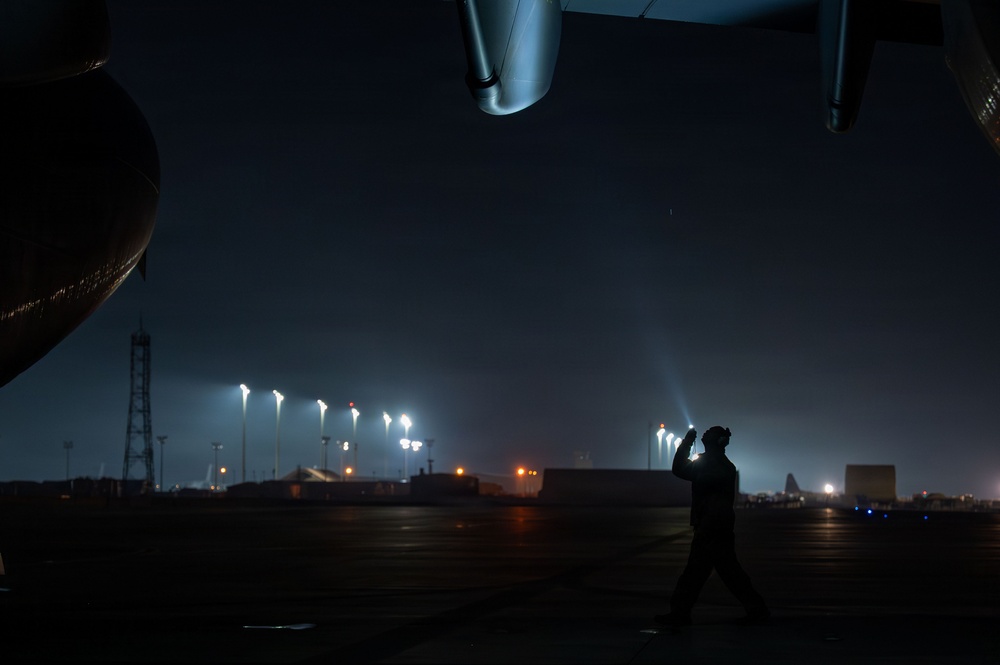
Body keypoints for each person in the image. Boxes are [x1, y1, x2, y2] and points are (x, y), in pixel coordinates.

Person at [655, 425, 769, 626]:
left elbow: (679, 469)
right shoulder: (721, 464)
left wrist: (687, 443)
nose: (705, 433)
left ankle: (680, 613)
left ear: (718, 441)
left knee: (699, 573)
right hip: (717, 526)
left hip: (711, 527)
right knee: (722, 572)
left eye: (711, 432)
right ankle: (756, 609)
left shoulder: (711, 464)